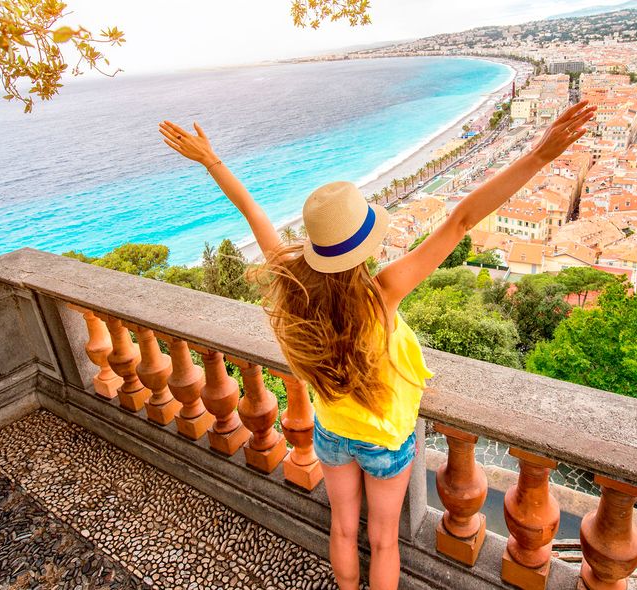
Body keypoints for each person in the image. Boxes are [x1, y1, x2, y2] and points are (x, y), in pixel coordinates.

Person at [158, 100, 596, 590]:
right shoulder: (383, 294)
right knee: (384, 539)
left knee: (344, 528)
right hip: (385, 437)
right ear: (364, 245)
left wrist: (211, 160)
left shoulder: (293, 289)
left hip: (330, 431)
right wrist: (539, 156)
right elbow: (461, 220)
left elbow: (252, 211)